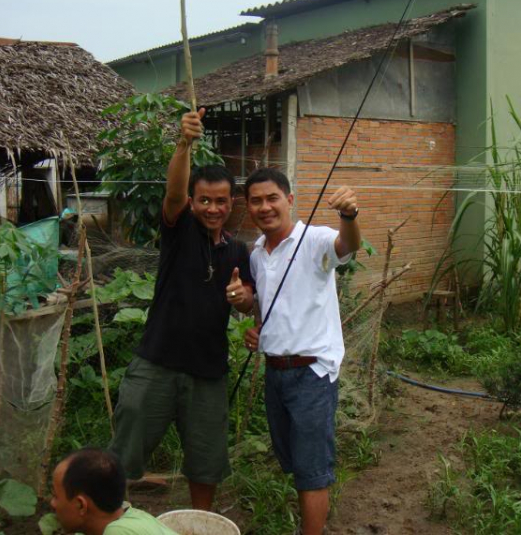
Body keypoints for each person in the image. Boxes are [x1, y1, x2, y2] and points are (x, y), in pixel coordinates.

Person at [109, 109, 254, 510]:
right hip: (156, 363)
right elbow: (172, 193)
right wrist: (183, 143)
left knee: (206, 463)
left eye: (220, 201)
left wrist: (243, 300)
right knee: (125, 451)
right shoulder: (179, 230)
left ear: (232, 203)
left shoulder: (240, 251)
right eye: (204, 200)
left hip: (208, 373)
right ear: (192, 202)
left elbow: (250, 301)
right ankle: (112, 518)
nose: (212, 208)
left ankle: (199, 522)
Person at [243, 168, 360, 535]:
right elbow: (270, 308)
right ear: (248, 207)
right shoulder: (257, 254)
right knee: (294, 460)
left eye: (272, 198)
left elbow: (348, 245)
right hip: (275, 372)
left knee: (312, 470)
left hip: (311, 374)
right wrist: (257, 330)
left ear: (290, 200)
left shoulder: (316, 239)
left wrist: (349, 216)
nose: (265, 207)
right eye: (256, 201)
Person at [50, 448, 179, 535]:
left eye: (56, 496)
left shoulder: (118, 532)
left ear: (81, 505)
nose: (52, 504)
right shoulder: (131, 515)